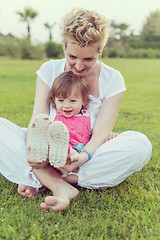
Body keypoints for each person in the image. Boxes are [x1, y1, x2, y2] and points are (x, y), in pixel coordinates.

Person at [0, 8, 152, 212]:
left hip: (85, 151)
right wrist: (33, 151)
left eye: (89, 59)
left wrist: (81, 157)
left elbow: (101, 133)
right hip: (46, 146)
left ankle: (41, 177)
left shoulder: (113, 79)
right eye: (72, 56)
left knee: (140, 144)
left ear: (100, 51)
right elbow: (38, 119)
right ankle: (59, 184)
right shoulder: (49, 70)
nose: (79, 66)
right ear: (64, 47)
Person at [29, 71, 91, 171]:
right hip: (53, 149)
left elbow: (97, 132)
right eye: (61, 101)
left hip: (76, 151)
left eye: (73, 101)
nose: (66, 106)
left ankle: (37, 176)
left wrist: (109, 134)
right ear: (54, 100)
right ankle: (40, 152)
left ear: (83, 100)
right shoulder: (53, 115)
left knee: (71, 154)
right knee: (48, 142)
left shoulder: (87, 116)